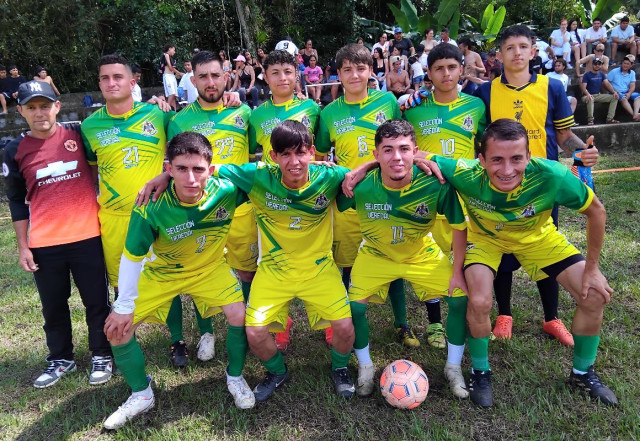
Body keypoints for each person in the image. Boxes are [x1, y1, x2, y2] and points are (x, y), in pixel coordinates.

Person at [430, 119, 617, 408]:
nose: (507, 170)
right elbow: (413, 155)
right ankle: (480, 371)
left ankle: (582, 373)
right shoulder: (464, 172)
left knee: (593, 295)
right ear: (481, 160)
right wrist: (362, 169)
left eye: (516, 158)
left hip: (537, 237)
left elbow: (597, 211)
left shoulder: (552, 174)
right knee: (478, 301)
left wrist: (592, 269)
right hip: (486, 240)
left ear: (529, 156)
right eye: (497, 159)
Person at [102, 131, 255, 430]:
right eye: (181, 169)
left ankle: (235, 376)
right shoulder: (149, 204)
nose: (191, 178)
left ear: (211, 170)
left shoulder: (227, 189)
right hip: (163, 273)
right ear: (168, 169)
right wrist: (123, 305)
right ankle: (141, 394)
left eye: (198, 169)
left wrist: (330, 166)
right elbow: (132, 257)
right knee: (117, 331)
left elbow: (278, 172)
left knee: (240, 315)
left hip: (210, 268)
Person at [474, 25, 598, 345]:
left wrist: (583, 151)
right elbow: (479, 143)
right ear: (499, 55)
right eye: (509, 47)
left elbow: (563, 136)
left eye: (522, 46)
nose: (516, 52)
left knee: (545, 248)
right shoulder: (485, 93)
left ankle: (551, 317)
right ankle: (504, 314)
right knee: (503, 250)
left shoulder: (552, 87)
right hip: (501, 183)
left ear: (533, 51)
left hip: (542, 185)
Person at [215, 120, 357, 401]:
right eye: (286, 154)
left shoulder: (330, 177)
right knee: (255, 332)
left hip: (319, 269)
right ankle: (277, 371)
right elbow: (205, 169)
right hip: (274, 271)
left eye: (301, 153)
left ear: (312, 152)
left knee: (344, 327)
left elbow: (368, 174)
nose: (294, 162)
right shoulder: (257, 177)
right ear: (273, 156)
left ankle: (340, 368)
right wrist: (161, 178)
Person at [339, 119, 469, 399]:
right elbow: (323, 182)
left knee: (459, 299)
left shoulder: (435, 183)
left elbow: (459, 227)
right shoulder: (359, 185)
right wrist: (359, 169)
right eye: (387, 150)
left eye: (404, 149)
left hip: (420, 252)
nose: (396, 157)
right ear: (376, 154)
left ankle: (453, 367)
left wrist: (458, 271)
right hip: (375, 253)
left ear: (416, 152)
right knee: (355, 309)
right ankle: (365, 366)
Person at [3, 80, 113, 389]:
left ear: (57, 107)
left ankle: (102, 353)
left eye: (45, 106)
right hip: (45, 243)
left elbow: (113, 124)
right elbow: (16, 201)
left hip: (87, 236)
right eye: (31, 107)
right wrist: (23, 247)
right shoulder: (14, 150)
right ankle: (61, 358)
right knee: (53, 306)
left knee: (96, 301)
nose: (39, 113)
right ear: (21, 111)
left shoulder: (78, 134)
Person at [316, 44, 418, 349]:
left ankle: (402, 323)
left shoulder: (387, 102)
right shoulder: (329, 113)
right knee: (347, 264)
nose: (354, 75)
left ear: (370, 71)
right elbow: (321, 156)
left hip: (386, 196)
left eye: (360, 69)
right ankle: (345, 324)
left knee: (392, 259)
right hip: (349, 200)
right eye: (347, 70)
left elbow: (401, 142)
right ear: (338, 74)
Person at [163, 50, 254, 367]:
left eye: (216, 75)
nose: (210, 82)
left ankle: (248, 328)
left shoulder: (243, 112)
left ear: (226, 76)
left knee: (246, 271)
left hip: (239, 209)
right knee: (200, 270)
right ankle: (206, 333)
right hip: (200, 213)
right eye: (203, 76)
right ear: (192, 80)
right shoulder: (179, 121)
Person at [403, 43, 486, 348]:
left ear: (461, 69)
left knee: (468, 259)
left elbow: (485, 148)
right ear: (429, 72)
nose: (446, 73)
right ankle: (435, 322)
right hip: (429, 196)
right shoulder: (414, 108)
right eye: (439, 68)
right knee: (431, 259)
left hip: (467, 196)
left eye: (452, 67)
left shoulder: (476, 106)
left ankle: (469, 316)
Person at [81, 54, 173, 298]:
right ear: (99, 84)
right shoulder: (89, 126)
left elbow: (183, 152)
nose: (111, 83)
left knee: (163, 280)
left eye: (118, 77)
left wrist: (167, 176)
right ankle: (126, 323)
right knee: (121, 284)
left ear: (132, 83)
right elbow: (91, 172)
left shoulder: (159, 114)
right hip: (114, 217)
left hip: (154, 212)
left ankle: (172, 326)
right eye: (105, 78)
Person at [247, 49, 322, 349]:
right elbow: (251, 155)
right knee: (273, 260)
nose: (282, 78)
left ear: (296, 75)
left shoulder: (312, 109)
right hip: (272, 201)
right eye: (275, 73)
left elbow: (320, 152)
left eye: (288, 72)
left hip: (308, 196)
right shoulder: (255, 115)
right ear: (265, 77)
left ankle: (327, 319)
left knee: (317, 256)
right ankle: (280, 323)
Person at [581, 57, 619, 125]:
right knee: (590, 98)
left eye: (599, 64)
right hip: (586, 96)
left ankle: (610, 119)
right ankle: (590, 120)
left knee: (614, 97)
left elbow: (607, 83)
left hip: (598, 95)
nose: (597, 65)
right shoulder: (587, 75)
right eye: (595, 64)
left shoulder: (601, 74)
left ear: (601, 65)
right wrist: (588, 94)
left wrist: (614, 92)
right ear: (592, 65)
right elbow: (583, 88)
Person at [607, 54, 640, 120]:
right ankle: (633, 115)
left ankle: (636, 114)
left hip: (626, 91)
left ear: (631, 65)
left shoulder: (632, 73)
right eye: (624, 63)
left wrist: (629, 93)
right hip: (615, 92)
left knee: (638, 96)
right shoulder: (614, 71)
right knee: (623, 98)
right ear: (622, 63)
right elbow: (606, 83)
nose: (625, 65)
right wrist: (613, 91)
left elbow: (632, 85)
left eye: (627, 64)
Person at [161, 44, 183, 111]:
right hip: (168, 76)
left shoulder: (171, 58)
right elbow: (170, 68)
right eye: (174, 50)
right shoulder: (166, 55)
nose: (174, 52)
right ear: (169, 49)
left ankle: (174, 112)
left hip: (172, 76)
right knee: (172, 94)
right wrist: (179, 73)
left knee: (174, 96)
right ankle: (166, 108)